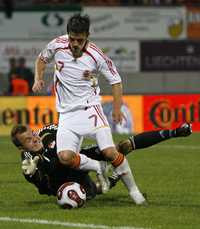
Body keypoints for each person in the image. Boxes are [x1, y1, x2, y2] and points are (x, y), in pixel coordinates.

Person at [32, 13, 145, 204]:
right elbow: (42, 59)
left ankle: (135, 192)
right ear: (68, 35)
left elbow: (116, 81)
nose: (76, 43)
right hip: (66, 114)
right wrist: (38, 78)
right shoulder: (57, 44)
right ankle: (98, 167)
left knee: (110, 152)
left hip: (90, 109)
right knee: (65, 157)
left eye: (80, 40)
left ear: (87, 37)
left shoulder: (96, 55)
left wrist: (117, 109)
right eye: (73, 39)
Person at [11, 123, 192, 202]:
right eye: (28, 140)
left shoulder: (49, 130)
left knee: (121, 147)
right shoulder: (28, 158)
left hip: (76, 159)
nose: (34, 139)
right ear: (22, 148)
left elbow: (73, 127)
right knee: (92, 191)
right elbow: (41, 180)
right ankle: (110, 179)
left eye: (33, 134)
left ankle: (175, 132)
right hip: (62, 182)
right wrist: (32, 176)